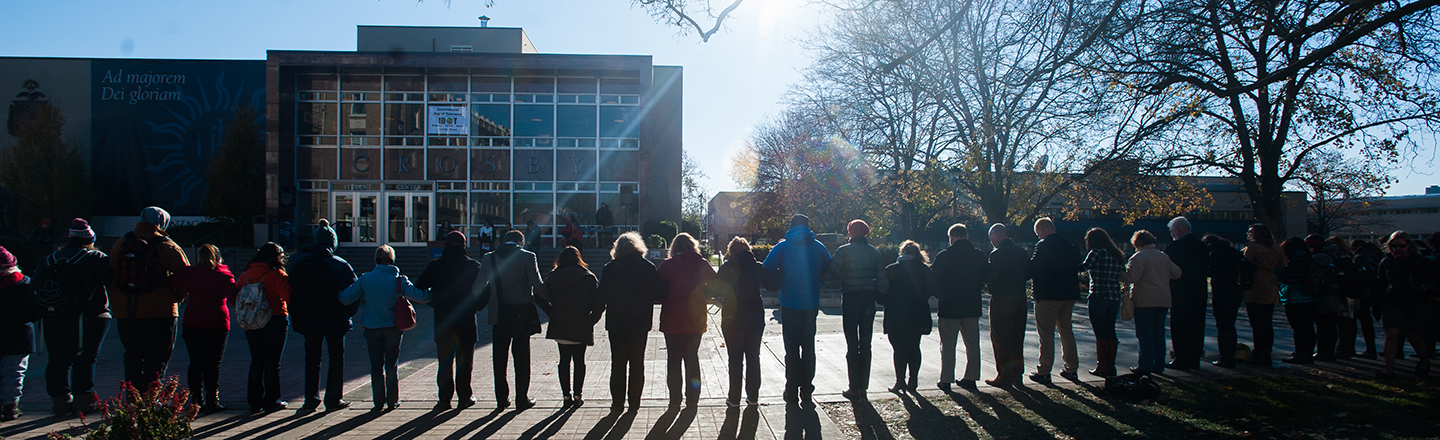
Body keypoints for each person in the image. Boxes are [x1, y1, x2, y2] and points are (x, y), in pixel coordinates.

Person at [109, 206, 190, 394]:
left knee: (133, 356)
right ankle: (151, 399)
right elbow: (186, 275)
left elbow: (112, 268)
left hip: (126, 311)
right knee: (158, 357)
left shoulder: (122, 242)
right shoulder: (166, 245)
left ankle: (133, 398)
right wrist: (175, 299)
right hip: (160, 311)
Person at [35, 219, 112, 416]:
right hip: (89, 317)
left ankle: (60, 402)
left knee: (57, 360)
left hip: (53, 317)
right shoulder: (96, 257)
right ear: (90, 238)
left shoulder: (49, 260)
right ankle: (83, 401)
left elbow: (34, 290)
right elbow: (111, 281)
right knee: (85, 359)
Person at [339, 245, 430, 411]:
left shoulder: (366, 278)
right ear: (392, 260)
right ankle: (393, 401)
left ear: (376, 260)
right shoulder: (399, 280)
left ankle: (378, 402)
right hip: (393, 327)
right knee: (391, 364)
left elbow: (345, 298)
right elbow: (420, 296)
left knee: (376, 366)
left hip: (371, 327)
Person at [286, 220, 358, 413]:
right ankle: (333, 399)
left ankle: (310, 399)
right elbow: (353, 292)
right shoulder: (339, 264)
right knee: (336, 358)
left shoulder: (299, 262)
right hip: (335, 319)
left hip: (308, 319)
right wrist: (347, 314)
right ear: (332, 243)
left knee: (311, 359)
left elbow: (290, 290)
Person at [762, 214, 832, 405]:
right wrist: (818, 286)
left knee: (791, 350)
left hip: (789, 303)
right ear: (808, 226)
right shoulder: (819, 247)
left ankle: (791, 390)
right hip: (811, 304)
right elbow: (831, 271)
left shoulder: (782, 247)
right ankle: (807, 390)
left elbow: (766, 269)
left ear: (791, 226)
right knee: (809, 348)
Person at [475, 230, 549, 411]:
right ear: (521, 242)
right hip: (522, 314)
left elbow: (477, 288)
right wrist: (551, 298)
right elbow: (538, 285)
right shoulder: (528, 256)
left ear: (503, 240)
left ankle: (501, 400)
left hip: (498, 315)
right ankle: (521, 399)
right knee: (522, 359)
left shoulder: (489, 258)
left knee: (499, 359)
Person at [595, 231, 666, 412]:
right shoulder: (648, 267)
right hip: (640, 322)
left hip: (616, 322)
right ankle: (634, 403)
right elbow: (660, 293)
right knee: (637, 363)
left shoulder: (610, 268)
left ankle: (617, 403)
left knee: (617, 363)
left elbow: (601, 296)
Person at [821, 219, 888, 398]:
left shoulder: (843, 252)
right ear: (866, 233)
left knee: (852, 344)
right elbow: (883, 281)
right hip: (868, 300)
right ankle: (863, 386)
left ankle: (853, 386)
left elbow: (829, 274)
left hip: (850, 299)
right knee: (866, 344)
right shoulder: (874, 253)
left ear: (850, 232)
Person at [416, 231, 482, 411]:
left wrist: (436, 303)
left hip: (444, 320)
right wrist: (475, 307)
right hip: (466, 320)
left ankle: (444, 399)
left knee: (445, 362)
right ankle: (464, 397)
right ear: (464, 245)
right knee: (465, 362)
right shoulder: (473, 266)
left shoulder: (435, 266)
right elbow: (485, 291)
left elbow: (419, 288)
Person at [169, 244, 237, 414]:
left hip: (192, 322)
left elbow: (171, 282)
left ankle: (196, 399)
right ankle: (212, 399)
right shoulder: (223, 275)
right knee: (213, 364)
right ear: (219, 257)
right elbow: (235, 299)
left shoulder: (189, 273)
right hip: (216, 322)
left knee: (196, 363)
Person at [712, 237, 774, 407]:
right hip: (755, 316)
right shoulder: (757, 267)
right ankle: (753, 397)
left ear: (731, 251)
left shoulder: (726, 268)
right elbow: (773, 285)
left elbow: (714, 290)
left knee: (735, 358)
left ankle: (734, 398)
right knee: (753, 357)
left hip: (732, 317)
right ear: (748, 250)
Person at [655, 233, 715, 407]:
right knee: (692, 358)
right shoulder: (701, 263)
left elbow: (658, 289)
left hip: (672, 317)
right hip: (696, 317)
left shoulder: (668, 265)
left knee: (673, 359)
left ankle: (675, 399)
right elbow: (716, 284)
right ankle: (693, 398)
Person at [930, 224, 987, 390]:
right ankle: (971, 377)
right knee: (972, 344)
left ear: (951, 237)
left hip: (949, 306)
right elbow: (985, 276)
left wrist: (940, 294)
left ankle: (946, 378)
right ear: (966, 236)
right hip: (971, 305)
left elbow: (934, 279)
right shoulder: (978, 255)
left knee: (948, 344)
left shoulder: (944, 256)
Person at [543, 246, 601, 408]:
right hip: (581, 324)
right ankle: (578, 394)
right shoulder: (588, 277)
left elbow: (538, 296)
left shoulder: (553, 277)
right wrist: (591, 320)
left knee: (563, 360)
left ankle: (565, 396)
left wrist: (551, 313)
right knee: (579, 361)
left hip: (560, 324)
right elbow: (598, 302)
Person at [1027, 218, 1082, 383]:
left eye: (1038, 234)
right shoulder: (1070, 245)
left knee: (1046, 333)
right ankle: (1071, 368)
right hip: (1068, 294)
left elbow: (1034, 268)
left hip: (1048, 295)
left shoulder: (1043, 245)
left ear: (1042, 230)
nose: (1038, 237)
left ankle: (1044, 370)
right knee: (1066, 331)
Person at [240, 242, 293, 414]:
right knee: (272, 362)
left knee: (256, 361)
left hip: (252, 322)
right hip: (275, 319)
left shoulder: (246, 274)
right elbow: (288, 296)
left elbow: (237, 297)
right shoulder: (276, 274)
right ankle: (272, 400)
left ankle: (254, 401)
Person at [1375, 231, 1436, 378]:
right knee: (1391, 334)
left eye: (1401, 246)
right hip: (1393, 301)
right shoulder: (1387, 262)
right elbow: (1380, 283)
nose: (1397, 249)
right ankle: (1389, 370)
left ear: (1409, 245)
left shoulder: (1420, 261)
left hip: (1414, 302)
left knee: (1413, 336)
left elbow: (1433, 280)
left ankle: (1424, 360)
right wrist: (1377, 304)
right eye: (1394, 246)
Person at [1124, 230, 1182, 374]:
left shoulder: (1139, 257)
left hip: (1144, 300)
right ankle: (1159, 364)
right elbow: (1177, 273)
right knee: (1158, 334)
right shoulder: (1163, 256)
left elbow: (1132, 277)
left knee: (1144, 335)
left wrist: (1121, 274)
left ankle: (1145, 365)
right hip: (1163, 299)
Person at [881, 240, 933, 393]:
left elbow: (883, 291)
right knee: (914, 347)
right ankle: (913, 380)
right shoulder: (925, 270)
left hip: (895, 316)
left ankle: (900, 380)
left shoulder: (892, 269)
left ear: (902, 253)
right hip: (918, 315)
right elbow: (930, 290)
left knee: (898, 349)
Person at [0, 246, 40, 421]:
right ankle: (11, 407)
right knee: (14, 372)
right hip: (20, 335)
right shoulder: (25, 283)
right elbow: (35, 311)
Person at [985, 223, 1028, 386]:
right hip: (1020, 297)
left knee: (1001, 338)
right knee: (1017, 337)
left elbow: (991, 276)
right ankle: (1017, 374)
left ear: (996, 234)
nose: (991, 241)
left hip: (1002, 298)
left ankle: (1004, 375)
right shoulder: (1021, 251)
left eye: (990, 237)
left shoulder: (997, 254)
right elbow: (1028, 271)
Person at [1080, 228, 1126, 377]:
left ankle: (1101, 365)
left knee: (1100, 332)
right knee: (1110, 330)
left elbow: (1084, 267)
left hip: (1098, 295)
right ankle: (1111, 365)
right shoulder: (1116, 255)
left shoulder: (1096, 253)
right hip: (1114, 297)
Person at [1164, 216, 1208, 370]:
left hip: (1180, 292)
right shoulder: (1201, 246)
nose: (1171, 234)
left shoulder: (1177, 247)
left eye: (1171, 231)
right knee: (1197, 326)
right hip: (1199, 291)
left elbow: (1167, 268)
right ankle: (1194, 359)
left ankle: (1181, 358)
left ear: (1177, 230)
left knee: (1180, 326)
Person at [1243, 224, 1284, 366]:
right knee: (1267, 321)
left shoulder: (1253, 247)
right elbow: (1282, 265)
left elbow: (1245, 264)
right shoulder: (1275, 248)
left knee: (1256, 321)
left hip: (1256, 284)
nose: (1248, 233)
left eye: (1251, 231)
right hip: (1271, 283)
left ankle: (1258, 351)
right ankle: (1266, 351)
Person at [1203, 234, 1245, 368]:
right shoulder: (1235, 253)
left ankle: (1224, 357)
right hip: (1236, 291)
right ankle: (1230, 356)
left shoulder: (1215, 254)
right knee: (1231, 324)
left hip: (1222, 291)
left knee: (1222, 325)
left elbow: (1213, 272)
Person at [1277, 237, 1321, 364]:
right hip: (1312, 297)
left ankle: (1300, 354)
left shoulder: (1296, 261)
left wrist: (1278, 272)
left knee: (1299, 328)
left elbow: (1290, 279)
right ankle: (1308, 354)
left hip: (1297, 298)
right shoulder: (1309, 258)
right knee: (1308, 327)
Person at [1308, 235, 1352, 361]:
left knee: (1323, 326)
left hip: (1325, 294)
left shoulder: (1318, 257)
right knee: (1331, 326)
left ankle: (1323, 352)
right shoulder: (1336, 256)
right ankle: (1330, 351)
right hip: (1336, 292)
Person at [1350, 239, 1384, 359]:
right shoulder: (1376, 255)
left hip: (1364, 293)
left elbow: (1360, 276)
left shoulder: (1360, 257)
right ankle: (1371, 349)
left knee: (1362, 321)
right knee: (1367, 321)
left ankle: (1369, 349)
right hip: (1374, 292)